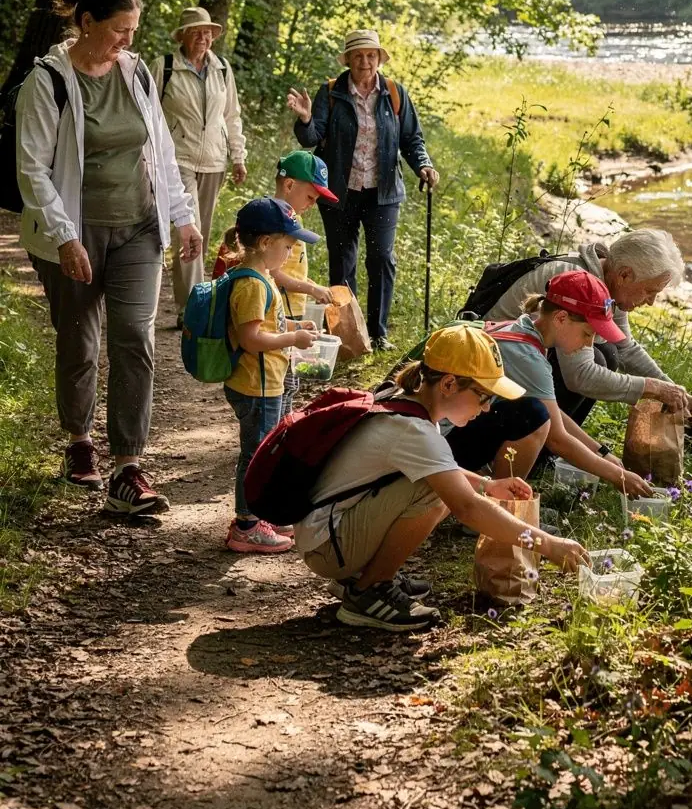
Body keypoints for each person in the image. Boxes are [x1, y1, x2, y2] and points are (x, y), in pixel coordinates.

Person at [16, 0, 202, 516]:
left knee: (134, 340)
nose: (127, 40)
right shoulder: (47, 81)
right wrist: (64, 235)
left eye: (133, 31)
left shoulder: (137, 72)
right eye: (119, 30)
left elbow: (161, 153)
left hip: (139, 228)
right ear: (87, 22)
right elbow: (32, 170)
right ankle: (78, 441)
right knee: (80, 343)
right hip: (76, 230)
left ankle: (128, 467)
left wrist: (182, 217)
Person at [295, 324, 591, 633]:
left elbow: (444, 469)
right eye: (483, 396)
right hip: (328, 547)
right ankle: (368, 592)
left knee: (442, 484)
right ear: (448, 384)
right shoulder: (414, 431)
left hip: (328, 532)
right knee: (437, 492)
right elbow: (466, 507)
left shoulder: (410, 403)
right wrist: (549, 544)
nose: (488, 408)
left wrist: (487, 485)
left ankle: (361, 577)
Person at [287, 28, 439, 352]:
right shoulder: (331, 92)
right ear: (349, 60)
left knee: (382, 258)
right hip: (341, 192)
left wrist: (423, 165)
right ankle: (346, 333)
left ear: (379, 59)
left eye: (371, 55)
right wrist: (304, 119)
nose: (365, 62)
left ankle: (378, 331)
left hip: (382, 192)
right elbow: (313, 136)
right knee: (343, 261)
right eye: (358, 56)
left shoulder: (395, 93)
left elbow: (412, 139)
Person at [445, 275, 654, 496]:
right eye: (587, 334)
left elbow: (555, 414)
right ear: (561, 318)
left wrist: (602, 452)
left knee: (537, 411)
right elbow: (557, 439)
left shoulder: (525, 328)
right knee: (533, 416)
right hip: (443, 450)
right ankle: (500, 504)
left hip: (446, 435)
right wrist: (618, 476)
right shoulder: (528, 357)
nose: (589, 345)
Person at [481, 229, 692, 424]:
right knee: (602, 359)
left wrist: (674, 391)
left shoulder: (610, 284)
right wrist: (652, 388)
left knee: (609, 353)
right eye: (649, 291)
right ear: (624, 275)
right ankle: (536, 439)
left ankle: (547, 443)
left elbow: (625, 348)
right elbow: (580, 375)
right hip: (491, 371)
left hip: (521, 362)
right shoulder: (579, 286)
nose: (651, 301)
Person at [222, 196, 319, 555]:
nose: (291, 253)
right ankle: (247, 525)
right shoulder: (251, 285)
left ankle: (259, 514)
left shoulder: (262, 278)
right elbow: (251, 338)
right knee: (255, 454)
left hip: (267, 383)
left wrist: (294, 325)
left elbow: (266, 324)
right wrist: (293, 338)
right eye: (289, 246)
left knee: (264, 449)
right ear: (265, 244)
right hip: (256, 386)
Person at [150, 6, 246, 327]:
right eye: (196, 32)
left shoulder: (222, 69)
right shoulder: (164, 68)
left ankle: (196, 297)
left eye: (208, 32)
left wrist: (238, 156)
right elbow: (146, 114)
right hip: (178, 158)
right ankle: (190, 307)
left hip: (215, 160)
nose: (203, 38)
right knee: (186, 228)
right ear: (183, 36)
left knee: (200, 231)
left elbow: (231, 116)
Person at [272, 151, 337, 419]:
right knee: (281, 382)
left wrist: (313, 285)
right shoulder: (276, 220)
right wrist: (311, 289)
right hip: (279, 313)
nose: (312, 204)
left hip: (293, 313)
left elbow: (292, 270)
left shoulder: (293, 220)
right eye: (310, 197)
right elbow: (274, 272)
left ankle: (281, 432)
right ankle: (274, 436)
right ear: (289, 185)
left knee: (290, 383)